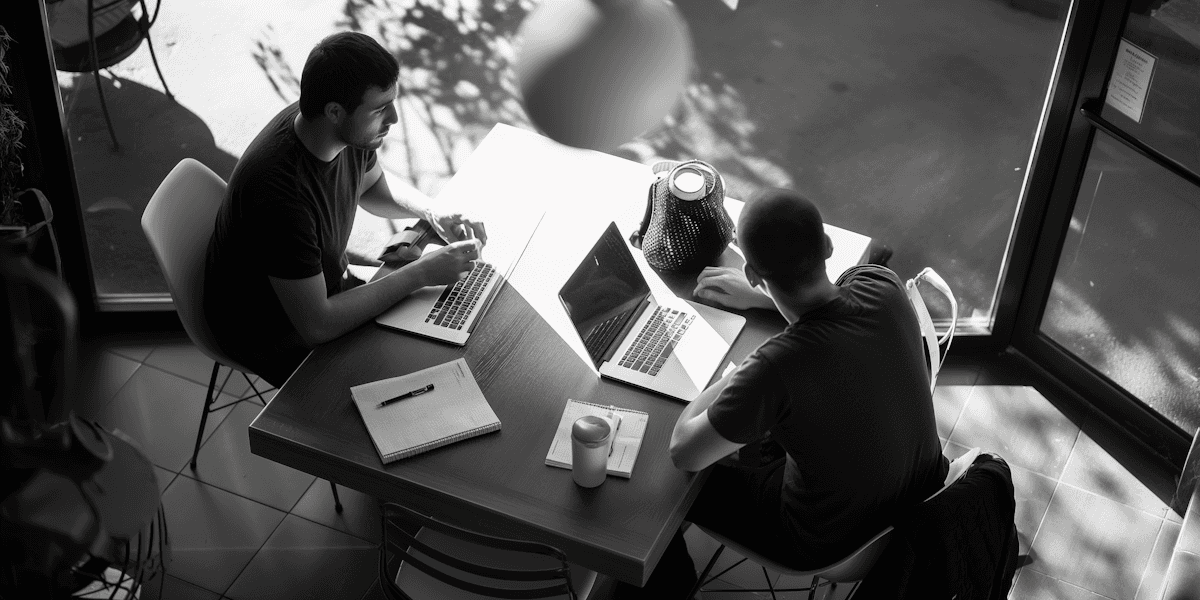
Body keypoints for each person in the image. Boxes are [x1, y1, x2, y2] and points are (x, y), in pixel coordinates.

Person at [619, 188, 948, 598]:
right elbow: (828, 316)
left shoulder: (775, 369)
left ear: (754, 272)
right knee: (769, 432)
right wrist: (758, 302)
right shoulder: (881, 283)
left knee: (659, 482)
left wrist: (738, 375)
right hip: (917, 498)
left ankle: (660, 586)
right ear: (827, 246)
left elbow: (683, 450)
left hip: (825, 540)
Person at [204, 32, 485, 387]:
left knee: (441, 339)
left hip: (324, 293)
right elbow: (317, 325)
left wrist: (433, 212)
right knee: (417, 377)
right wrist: (420, 274)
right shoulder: (279, 196)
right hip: (271, 331)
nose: (394, 118)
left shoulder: (336, 129)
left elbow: (371, 186)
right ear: (335, 111)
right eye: (381, 108)